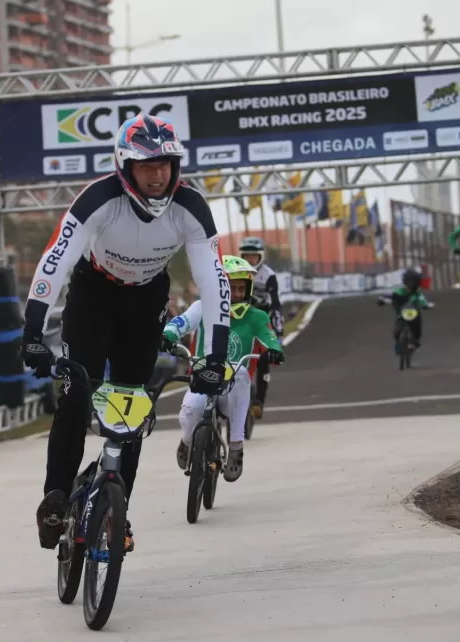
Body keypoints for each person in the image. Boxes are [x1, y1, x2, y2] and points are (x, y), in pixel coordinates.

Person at [21, 112, 230, 552]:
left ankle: (119, 511)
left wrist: (216, 357)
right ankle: (55, 499)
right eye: (146, 166)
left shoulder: (191, 208)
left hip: (146, 300)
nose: (158, 175)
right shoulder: (99, 198)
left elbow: (214, 283)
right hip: (93, 294)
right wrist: (33, 333)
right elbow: (54, 262)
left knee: (131, 408)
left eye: (165, 165)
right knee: (78, 392)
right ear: (125, 166)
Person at [162, 256, 284, 482]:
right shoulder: (202, 307)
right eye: (231, 288)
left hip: (232, 391)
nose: (237, 295)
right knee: (190, 411)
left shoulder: (256, 316)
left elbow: (269, 337)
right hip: (203, 380)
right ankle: (187, 441)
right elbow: (180, 322)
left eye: (241, 289)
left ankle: (236, 447)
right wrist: (168, 335)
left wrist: (274, 349)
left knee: (240, 375)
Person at [238, 236, 284, 418]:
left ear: (260, 257)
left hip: (262, 321)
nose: (250, 260)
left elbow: (275, 304)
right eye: (246, 256)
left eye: (253, 257)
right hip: (241, 319)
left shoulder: (268, 275)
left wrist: (279, 331)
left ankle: (259, 402)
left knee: (264, 360)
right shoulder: (236, 271)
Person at [377, 268, 435, 353]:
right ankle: (398, 342)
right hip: (401, 315)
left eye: (415, 282)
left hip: (414, 315)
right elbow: (389, 295)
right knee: (396, 333)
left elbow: (423, 301)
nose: (412, 284)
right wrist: (382, 299)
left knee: (417, 329)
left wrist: (427, 305)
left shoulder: (418, 294)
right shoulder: (399, 291)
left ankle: (415, 341)